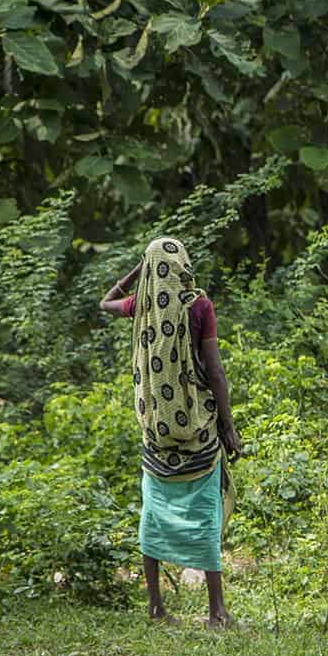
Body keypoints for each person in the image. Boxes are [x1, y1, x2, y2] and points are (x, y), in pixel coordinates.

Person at [101, 237, 242, 628]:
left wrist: (139, 271)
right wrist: (228, 426)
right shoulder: (198, 305)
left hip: (156, 433)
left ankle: (155, 606)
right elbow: (215, 371)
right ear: (183, 265)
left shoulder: (141, 305)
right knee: (206, 512)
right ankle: (216, 611)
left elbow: (105, 302)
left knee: (154, 513)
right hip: (198, 431)